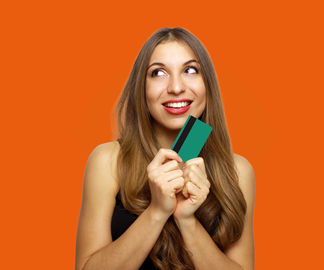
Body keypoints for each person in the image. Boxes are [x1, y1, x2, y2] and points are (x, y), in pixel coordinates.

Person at [75, 27, 255, 270]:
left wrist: (187, 220)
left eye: (190, 70)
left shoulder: (237, 171)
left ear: (207, 84)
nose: (176, 87)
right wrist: (157, 212)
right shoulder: (108, 161)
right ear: (142, 88)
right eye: (158, 73)